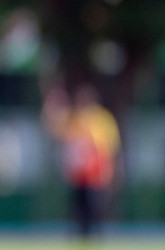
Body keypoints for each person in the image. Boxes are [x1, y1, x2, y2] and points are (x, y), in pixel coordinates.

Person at [43, 84, 118, 238]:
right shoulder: (74, 120)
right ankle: (82, 235)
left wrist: (106, 169)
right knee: (79, 208)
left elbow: (107, 148)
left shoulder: (102, 120)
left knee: (95, 206)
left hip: (95, 174)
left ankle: (98, 234)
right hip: (79, 175)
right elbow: (62, 138)